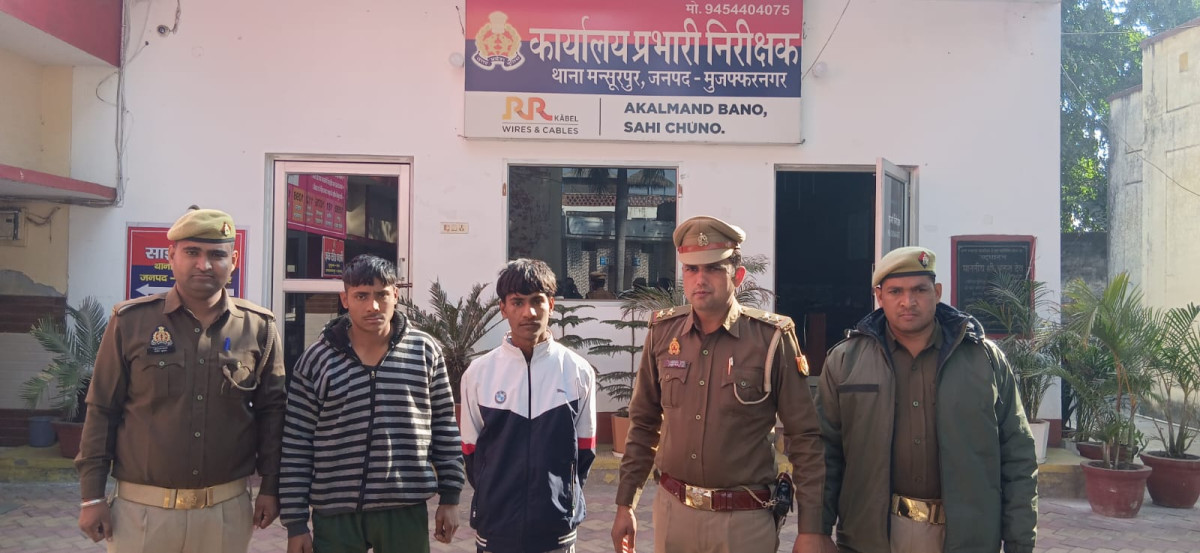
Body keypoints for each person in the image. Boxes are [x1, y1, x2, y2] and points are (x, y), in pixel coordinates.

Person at [611, 216, 830, 553]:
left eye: (713, 268)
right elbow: (643, 424)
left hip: (743, 523)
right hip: (674, 515)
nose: (700, 279)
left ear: (737, 276)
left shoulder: (771, 339)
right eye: (691, 269)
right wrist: (625, 503)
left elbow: (805, 439)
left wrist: (812, 529)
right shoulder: (663, 334)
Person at [76, 206, 286, 552]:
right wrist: (91, 497)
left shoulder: (258, 327)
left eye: (216, 254)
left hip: (225, 512)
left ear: (233, 261)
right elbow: (101, 409)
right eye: (192, 252)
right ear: (171, 256)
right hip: (142, 513)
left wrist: (271, 486)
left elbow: (272, 414)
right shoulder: (131, 322)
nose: (204, 264)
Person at [816, 246, 1037, 553]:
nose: (908, 301)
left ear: (937, 292)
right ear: (879, 296)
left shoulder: (984, 359)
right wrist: (816, 530)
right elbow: (825, 452)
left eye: (919, 290)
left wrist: (1020, 541)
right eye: (896, 291)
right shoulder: (845, 361)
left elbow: (1017, 453)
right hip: (873, 535)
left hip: (965, 536)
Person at [279, 255, 464, 553]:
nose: (373, 306)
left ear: (396, 295)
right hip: (336, 514)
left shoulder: (424, 352)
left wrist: (451, 497)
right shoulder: (317, 360)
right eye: (361, 296)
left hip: (404, 509)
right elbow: (297, 443)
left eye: (382, 295)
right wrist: (296, 522)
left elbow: (444, 427)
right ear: (345, 299)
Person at [460, 258, 597, 553]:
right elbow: (471, 453)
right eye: (517, 302)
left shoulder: (578, 371)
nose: (529, 312)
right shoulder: (478, 374)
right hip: (496, 528)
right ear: (503, 308)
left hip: (556, 529)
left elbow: (585, 452)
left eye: (537, 301)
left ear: (551, 304)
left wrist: (562, 499)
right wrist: (493, 496)